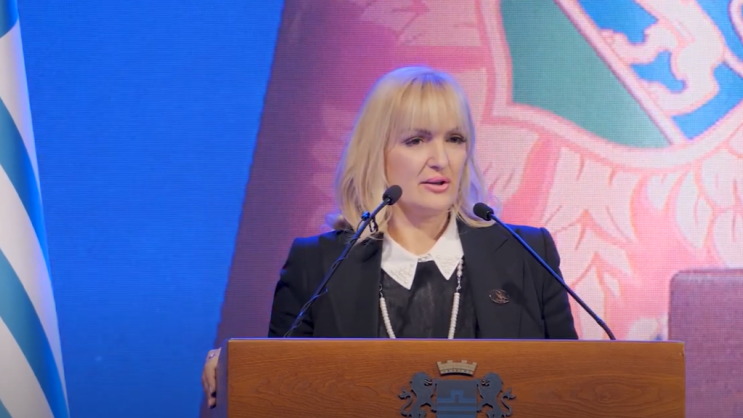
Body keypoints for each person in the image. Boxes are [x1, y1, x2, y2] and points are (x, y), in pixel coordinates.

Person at [201, 66, 578, 407]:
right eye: (416, 140)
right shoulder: (317, 264)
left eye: (455, 139)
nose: (441, 159)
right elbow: (278, 385)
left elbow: (574, 381)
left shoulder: (528, 256)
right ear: (376, 152)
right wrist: (235, 364)